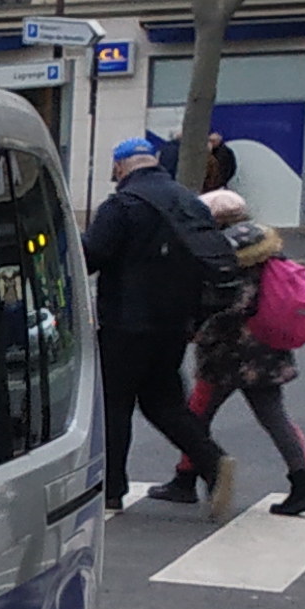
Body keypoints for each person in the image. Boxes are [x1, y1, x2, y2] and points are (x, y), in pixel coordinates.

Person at [79, 132, 232, 510]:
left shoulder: (123, 205)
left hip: (126, 323)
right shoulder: (188, 202)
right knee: (164, 404)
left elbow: (92, 255)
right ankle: (214, 462)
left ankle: (111, 489)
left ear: (120, 166)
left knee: (114, 404)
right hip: (174, 324)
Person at [169, 187, 305, 518]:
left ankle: (185, 479)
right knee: (274, 417)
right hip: (267, 349)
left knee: (195, 416)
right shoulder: (263, 247)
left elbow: (227, 307)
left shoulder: (224, 252)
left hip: (228, 353)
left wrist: (197, 332)